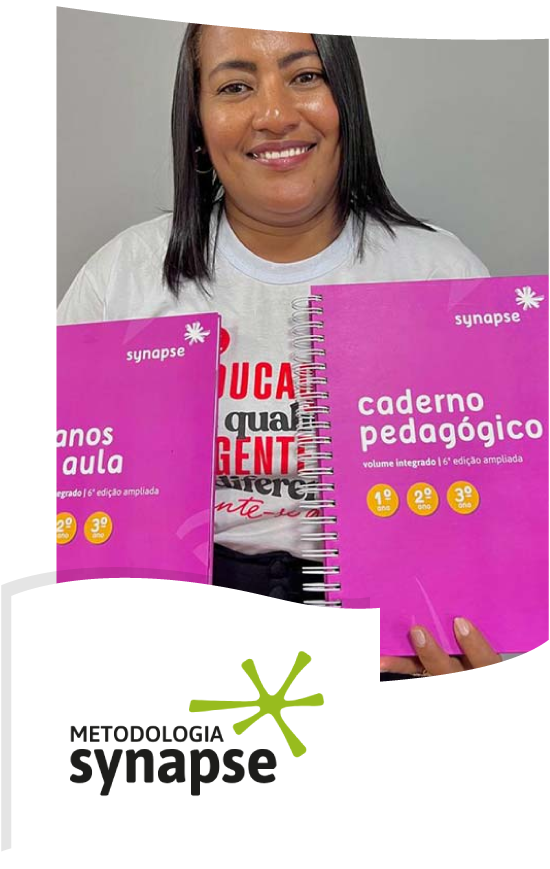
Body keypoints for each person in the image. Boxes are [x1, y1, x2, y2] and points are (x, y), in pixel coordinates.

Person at [56, 27, 503, 678]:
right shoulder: (124, 277)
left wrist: (477, 633)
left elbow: (498, 508)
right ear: (198, 122)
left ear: (346, 99)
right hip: (177, 620)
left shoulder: (442, 275)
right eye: (236, 86)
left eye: (305, 76)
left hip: (387, 618)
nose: (274, 113)